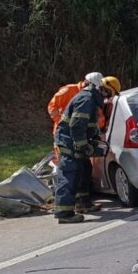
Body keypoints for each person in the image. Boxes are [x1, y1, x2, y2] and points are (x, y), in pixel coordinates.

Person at [52, 74, 113, 223]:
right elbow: (77, 125)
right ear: (101, 88)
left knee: (83, 169)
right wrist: (83, 145)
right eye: (108, 93)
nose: (107, 98)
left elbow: (88, 125)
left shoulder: (90, 99)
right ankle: (64, 214)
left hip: (73, 140)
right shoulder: (86, 99)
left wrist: (94, 139)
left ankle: (82, 203)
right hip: (69, 141)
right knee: (69, 173)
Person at [47, 72, 107, 163]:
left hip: (79, 133)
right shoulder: (69, 90)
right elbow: (52, 107)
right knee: (64, 158)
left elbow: (98, 117)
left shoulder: (92, 97)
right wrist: (63, 121)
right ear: (87, 82)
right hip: (63, 131)